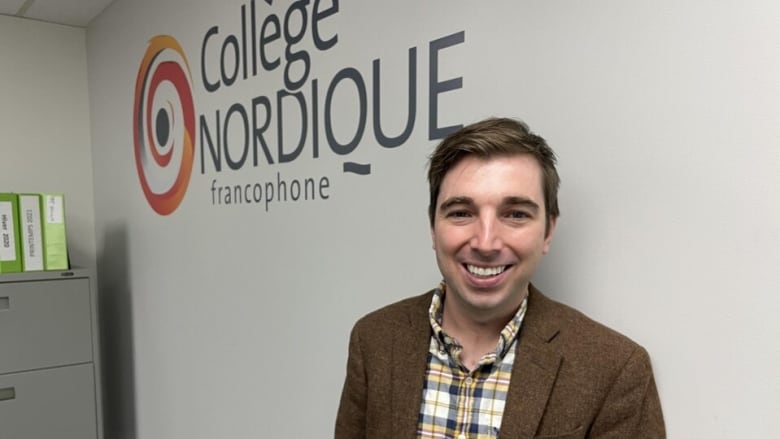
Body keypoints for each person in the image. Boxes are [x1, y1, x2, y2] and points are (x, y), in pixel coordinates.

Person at [335, 117, 665, 438]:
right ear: (433, 227)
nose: (486, 242)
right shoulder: (374, 340)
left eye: (515, 214)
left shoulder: (615, 369)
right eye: (461, 213)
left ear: (548, 231)